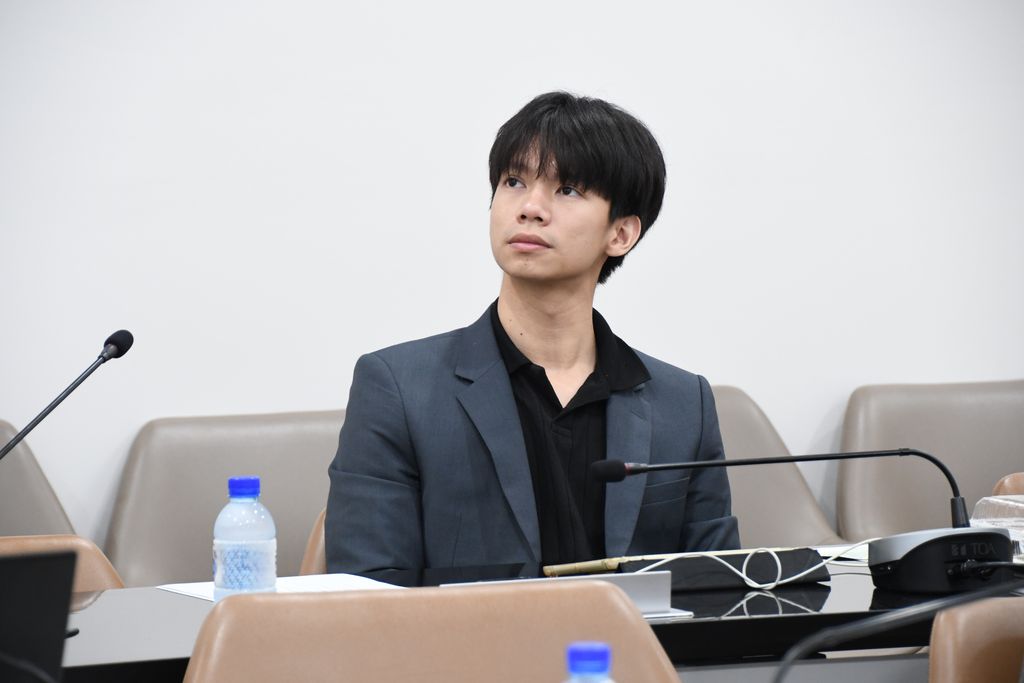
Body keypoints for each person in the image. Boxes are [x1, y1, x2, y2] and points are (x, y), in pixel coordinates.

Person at [326, 92, 738, 573]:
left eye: (568, 190)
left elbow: (721, 591)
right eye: (514, 182)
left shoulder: (685, 406)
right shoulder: (398, 389)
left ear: (621, 234)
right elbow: (368, 593)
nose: (530, 207)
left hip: (635, 629)